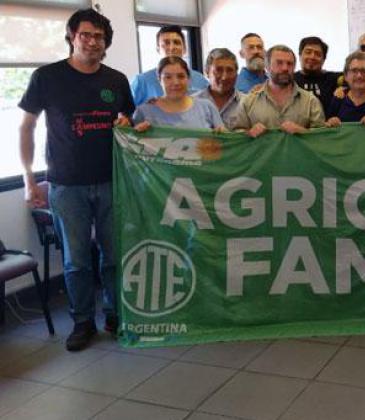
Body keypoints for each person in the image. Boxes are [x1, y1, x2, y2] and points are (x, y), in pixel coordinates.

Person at [18, 8, 134, 351]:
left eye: (99, 36)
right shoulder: (46, 77)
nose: (93, 41)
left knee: (114, 255)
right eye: (86, 34)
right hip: (66, 185)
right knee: (77, 259)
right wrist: (29, 178)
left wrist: (128, 124)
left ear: (106, 42)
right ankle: (82, 322)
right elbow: (27, 127)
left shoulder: (116, 80)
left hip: (112, 181)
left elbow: (129, 122)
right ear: (72, 36)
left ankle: (115, 316)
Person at [233, 45, 325, 136]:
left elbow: (322, 138)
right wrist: (248, 133)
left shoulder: (311, 102)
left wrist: (302, 131)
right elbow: (235, 136)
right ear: (267, 66)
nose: (285, 68)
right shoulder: (248, 101)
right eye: (279, 63)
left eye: (289, 64)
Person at [133, 57, 224, 131]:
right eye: (168, 77)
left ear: (188, 79)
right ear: (159, 80)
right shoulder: (144, 112)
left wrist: (223, 135)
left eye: (181, 76)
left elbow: (225, 143)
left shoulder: (206, 107)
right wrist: (137, 133)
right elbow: (130, 145)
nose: (176, 82)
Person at [130, 25, 208, 106]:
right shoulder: (142, 82)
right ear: (158, 49)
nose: (172, 47)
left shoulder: (200, 80)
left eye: (176, 43)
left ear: (184, 48)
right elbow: (128, 114)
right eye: (166, 43)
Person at [193, 48, 243, 129]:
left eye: (230, 70)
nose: (224, 77)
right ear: (207, 72)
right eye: (218, 70)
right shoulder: (192, 103)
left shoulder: (249, 104)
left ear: (236, 74)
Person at [294, 36, 341, 117]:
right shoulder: (290, 80)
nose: (312, 57)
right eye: (308, 52)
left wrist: (344, 88)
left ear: (324, 59)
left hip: (327, 128)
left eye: (318, 54)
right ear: (300, 55)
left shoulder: (334, 79)